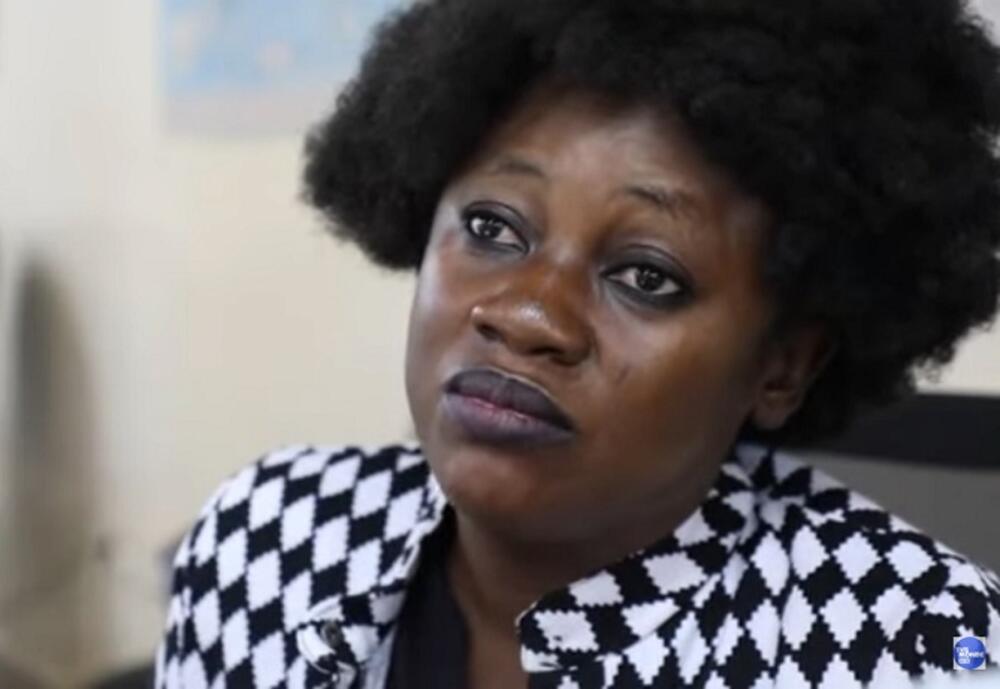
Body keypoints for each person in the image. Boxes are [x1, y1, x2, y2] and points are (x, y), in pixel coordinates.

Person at [155, 1, 1000, 687]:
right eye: (492, 227)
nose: (528, 315)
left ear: (785, 364)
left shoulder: (915, 648)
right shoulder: (266, 538)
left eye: (646, 276)